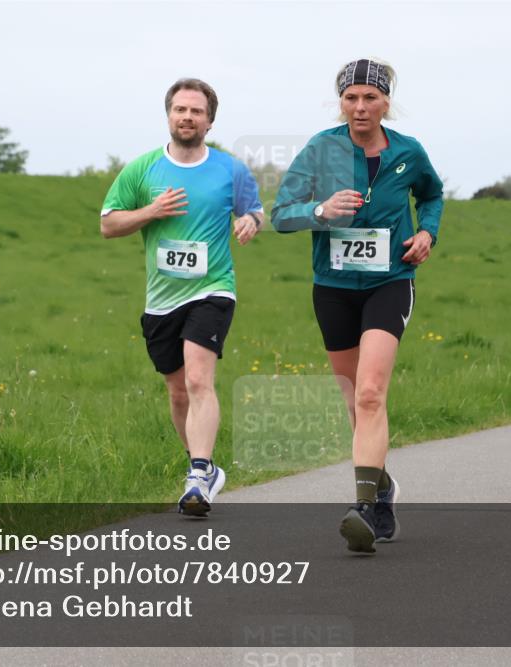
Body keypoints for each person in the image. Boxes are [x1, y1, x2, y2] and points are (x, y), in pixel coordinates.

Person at [271, 59, 443, 552]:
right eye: (351, 98)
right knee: (353, 400)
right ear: (340, 102)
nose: (361, 107)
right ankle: (382, 485)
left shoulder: (409, 152)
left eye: (371, 97)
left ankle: (364, 506)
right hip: (334, 288)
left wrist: (428, 231)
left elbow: (432, 194)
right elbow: (282, 214)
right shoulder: (320, 149)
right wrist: (319, 211)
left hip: (391, 281)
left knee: (370, 393)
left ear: (387, 102)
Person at [100, 78, 264, 516]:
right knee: (177, 392)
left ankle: (197, 470)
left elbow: (254, 210)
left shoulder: (230, 169)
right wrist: (151, 211)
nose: (187, 117)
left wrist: (250, 222)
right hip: (161, 299)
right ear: (168, 115)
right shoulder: (142, 170)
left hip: (213, 290)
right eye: (180, 109)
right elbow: (108, 223)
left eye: (196, 111)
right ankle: (205, 471)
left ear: (209, 121)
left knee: (197, 380)